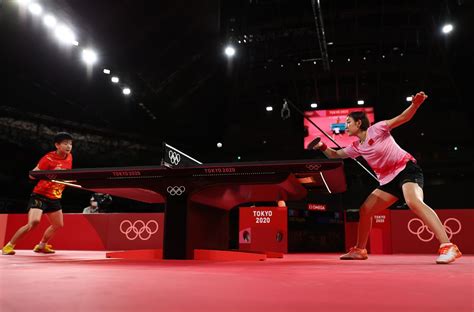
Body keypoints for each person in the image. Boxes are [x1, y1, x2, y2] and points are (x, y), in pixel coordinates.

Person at [311, 91, 462, 264]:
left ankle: (448, 246)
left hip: (406, 169)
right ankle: (360, 250)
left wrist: (415, 105)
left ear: (359, 123)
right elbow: (334, 155)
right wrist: (321, 145)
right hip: (388, 181)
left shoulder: (377, 129)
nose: (345, 126)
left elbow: (402, 118)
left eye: (348, 122)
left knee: (413, 202)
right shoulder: (356, 146)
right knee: (365, 210)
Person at [2, 132, 73, 255]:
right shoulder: (48, 158)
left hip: (55, 197)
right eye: (65, 143)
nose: (69, 146)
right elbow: (32, 175)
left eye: (70, 144)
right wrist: (50, 172)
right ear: (57, 145)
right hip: (40, 195)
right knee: (34, 222)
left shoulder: (70, 157)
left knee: (58, 225)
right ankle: (8, 246)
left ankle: (42, 245)